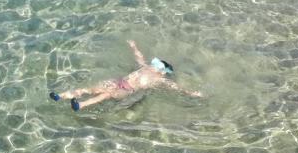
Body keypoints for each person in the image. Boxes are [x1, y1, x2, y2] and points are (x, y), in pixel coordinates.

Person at [50, 40, 202, 111]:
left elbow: (175, 87)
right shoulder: (147, 68)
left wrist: (191, 93)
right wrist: (133, 46)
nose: (154, 65)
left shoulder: (158, 78)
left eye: (158, 65)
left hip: (125, 90)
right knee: (90, 89)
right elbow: (139, 56)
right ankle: (60, 96)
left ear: (161, 70)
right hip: (119, 81)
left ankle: (80, 105)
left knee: (104, 94)